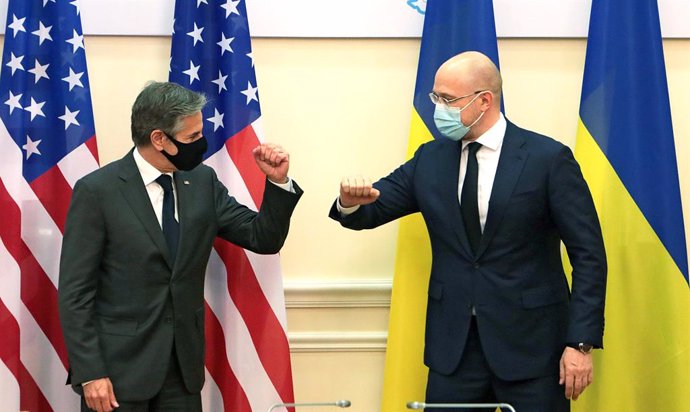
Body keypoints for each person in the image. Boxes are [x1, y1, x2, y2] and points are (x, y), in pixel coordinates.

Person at [330, 51, 606, 411]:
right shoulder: (430, 158)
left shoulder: (547, 159)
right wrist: (350, 201)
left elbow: (589, 255)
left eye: (447, 99)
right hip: (454, 351)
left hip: (532, 349)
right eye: (436, 98)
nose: (438, 108)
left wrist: (580, 343)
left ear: (484, 100)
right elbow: (373, 208)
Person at [58, 81, 303, 412]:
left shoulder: (202, 182)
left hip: (182, 373)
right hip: (117, 374)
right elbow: (76, 292)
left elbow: (263, 237)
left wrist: (276, 182)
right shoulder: (97, 191)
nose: (201, 144)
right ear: (160, 139)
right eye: (192, 138)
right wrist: (90, 373)